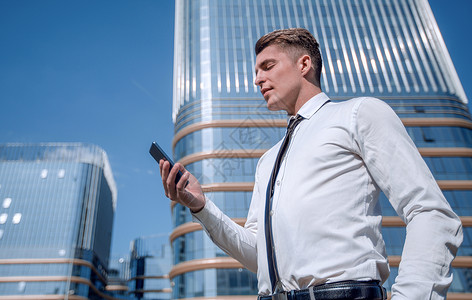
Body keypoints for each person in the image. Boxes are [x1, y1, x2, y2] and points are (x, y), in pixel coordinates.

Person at [160, 28, 462, 299]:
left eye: (267, 66)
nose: (257, 79)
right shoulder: (267, 161)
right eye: (256, 71)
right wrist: (201, 206)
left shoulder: (359, 114)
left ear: (304, 64)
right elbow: (257, 255)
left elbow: (430, 212)